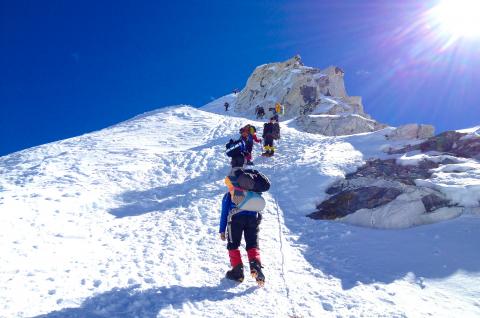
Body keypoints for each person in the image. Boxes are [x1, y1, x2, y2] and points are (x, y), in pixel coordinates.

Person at [219, 154, 265, 285]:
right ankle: (256, 266)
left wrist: (222, 230)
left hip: (235, 220)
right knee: (252, 245)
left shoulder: (229, 195)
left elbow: (224, 213)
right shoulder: (254, 192)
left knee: (233, 244)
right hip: (253, 219)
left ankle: (237, 272)